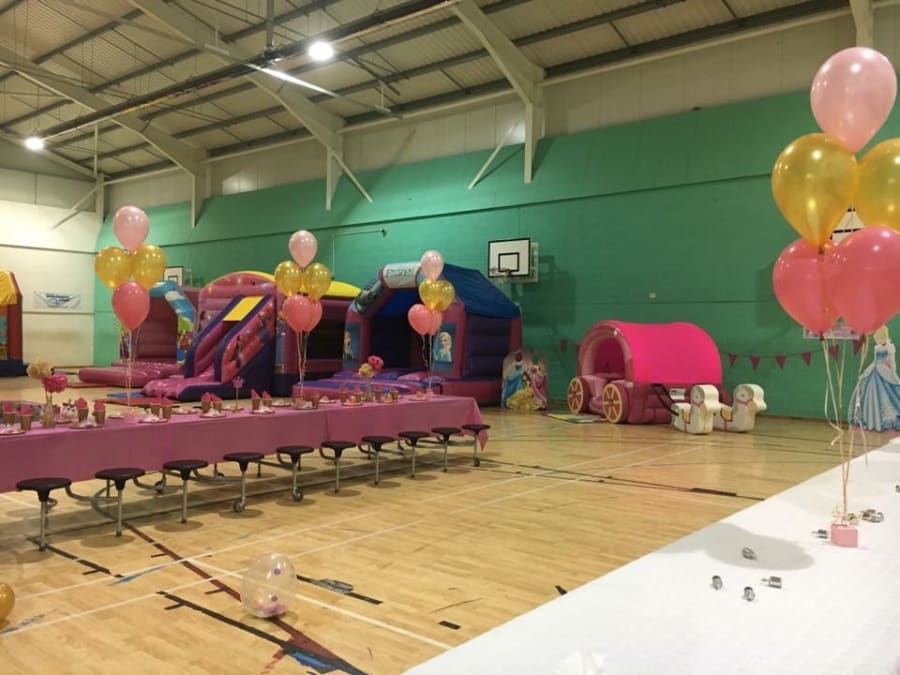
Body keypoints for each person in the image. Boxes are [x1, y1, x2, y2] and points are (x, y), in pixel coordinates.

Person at [851, 325, 900, 431]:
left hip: (885, 371)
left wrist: (894, 374)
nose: (880, 340)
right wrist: (866, 372)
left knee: (889, 393)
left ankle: (888, 419)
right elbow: (875, 361)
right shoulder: (876, 347)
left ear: (885, 335)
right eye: (878, 338)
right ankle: (872, 420)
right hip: (875, 369)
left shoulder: (890, 347)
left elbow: (892, 362)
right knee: (870, 393)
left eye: (882, 337)